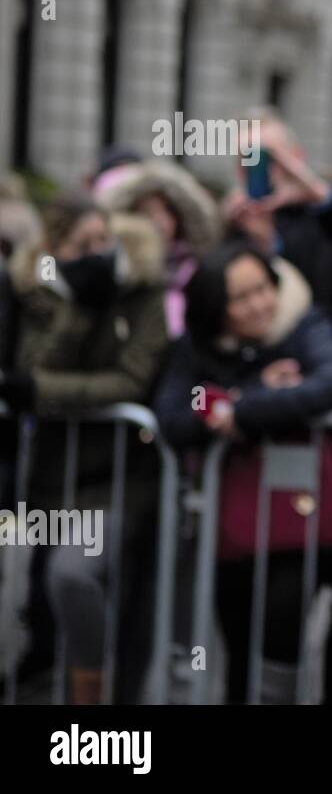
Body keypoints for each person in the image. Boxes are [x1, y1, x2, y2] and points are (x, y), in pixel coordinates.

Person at [153, 241, 332, 704]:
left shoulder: (304, 322)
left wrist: (241, 410)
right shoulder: (195, 347)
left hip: (306, 520)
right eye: (240, 298)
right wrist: (246, 394)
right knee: (238, 636)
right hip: (233, 529)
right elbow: (175, 415)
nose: (259, 304)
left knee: (282, 624)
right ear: (216, 308)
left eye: (263, 288)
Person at [0, 195, 169, 703]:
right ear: (54, 249)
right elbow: (30, 368)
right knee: (48, 598)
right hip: (52, 476)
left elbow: (132, 381)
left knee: (74, 574)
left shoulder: (142, 289)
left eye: (103, 240)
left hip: (120, 478)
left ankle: (89, 700)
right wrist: (74, 308)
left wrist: (48, 391)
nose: (98, 253)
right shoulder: (36, 293)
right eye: (83, 245)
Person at [224, 107, 332, 331]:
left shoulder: (328, 213)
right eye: (247, 159)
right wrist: (241, 234)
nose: (258, 169)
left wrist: (316, 194)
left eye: (267, 157)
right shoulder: (235, 223)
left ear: (295, 159)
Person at [96, 158, 222, 338]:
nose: (160, 221)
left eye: (167, 211)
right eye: (147, 213)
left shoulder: (196, 272)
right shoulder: (113, 275)